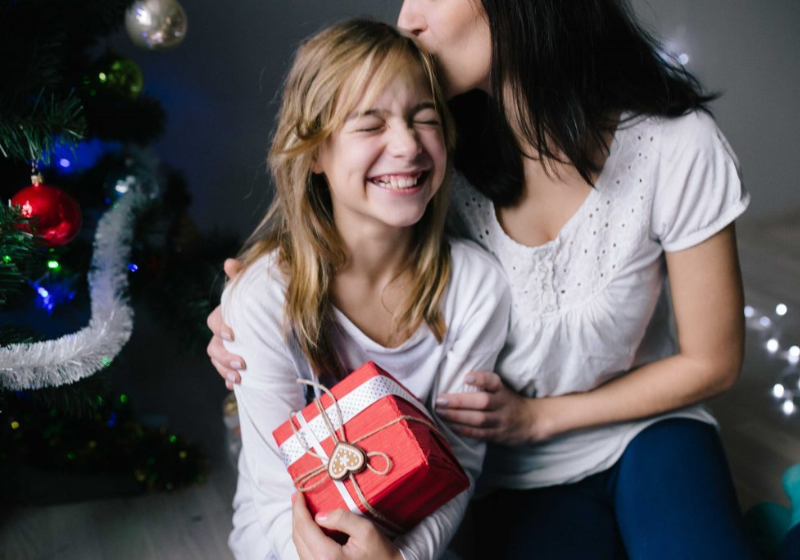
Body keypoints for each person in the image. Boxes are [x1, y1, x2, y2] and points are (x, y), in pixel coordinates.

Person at [209, 1, 791, 558]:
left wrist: (540, 418)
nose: (407, 17)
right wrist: (242, 312)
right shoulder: (429, 163)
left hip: (646, 430)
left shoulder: (674, 144)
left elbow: (713, 359)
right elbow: (334, 218)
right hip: (514, 475)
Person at [220, 18, 511, 560]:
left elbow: (457, 467)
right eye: (369, 124)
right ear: (313, 154)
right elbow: (273, 493)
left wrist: (399, 558)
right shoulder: (262, 300)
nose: (407, 145)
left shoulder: (475, 287)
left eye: (424, 119)